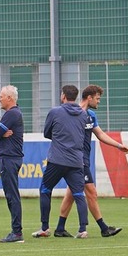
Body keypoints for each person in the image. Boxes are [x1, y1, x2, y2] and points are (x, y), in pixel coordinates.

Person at [33, 85, 128, 239]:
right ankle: (102, 228)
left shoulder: (89, 115)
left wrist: (118, 145)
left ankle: (60, 227)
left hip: (77, 160)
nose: (99, 102)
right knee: (90, 192)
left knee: (72, 193)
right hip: (78, 160)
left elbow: (100, 134)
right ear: (89, 97)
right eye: (97, 98)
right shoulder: (75, 114)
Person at [39, 85, 89, 238]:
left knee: (45, 190)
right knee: (79, 194)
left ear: (63, 96)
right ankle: (82, 229)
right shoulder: (83, 114)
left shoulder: (55, 112)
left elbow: (47, 133)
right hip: (76, 160)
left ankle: (45, 228)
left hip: (57, 159)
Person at [0, 85, 24, 243]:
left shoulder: (11, 114)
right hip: (10, 158)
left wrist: (0, 133)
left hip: (9, 158)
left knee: (12, 195)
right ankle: (16, 230)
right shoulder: (12, 114)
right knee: (11, 194)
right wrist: (0, 133)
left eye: (1, 96)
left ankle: (17, 232)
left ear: (10, 98)